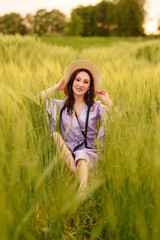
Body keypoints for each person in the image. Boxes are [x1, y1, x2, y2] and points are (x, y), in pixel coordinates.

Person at [38, 60, 112, 190]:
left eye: (85, 82)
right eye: (77, 80)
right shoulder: (61, 105)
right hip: (69, 153)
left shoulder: (96, 107)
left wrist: (108, 102)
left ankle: (82, 190)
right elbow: (38, 99)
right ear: (72, 82)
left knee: (82, 155)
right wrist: (56, 87)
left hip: (89, 152)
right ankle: (81, 177)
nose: (80, 84)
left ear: (89, 87)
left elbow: (114, 116)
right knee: (55, 135)